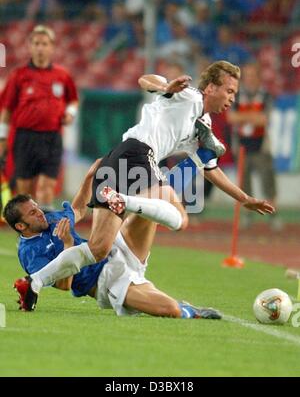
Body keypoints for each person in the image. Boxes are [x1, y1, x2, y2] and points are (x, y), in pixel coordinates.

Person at [9, 61, 275, 302]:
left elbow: (212, 171)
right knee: (180, 219)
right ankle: (126, 201)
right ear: (211, 88)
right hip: (140, 154)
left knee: (98, 249)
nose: (232, 97)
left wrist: (245, 199)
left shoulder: (202, 125)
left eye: (234, 92)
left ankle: (35, 282)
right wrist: (167, 86)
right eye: (229, 90)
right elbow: (146, 80)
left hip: (119, 157)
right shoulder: (189, 96)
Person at [5, 160, 221, 320]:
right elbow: (64, 285)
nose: (40, 213)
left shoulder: (50, 220)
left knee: (154, 200)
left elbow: (78, 208)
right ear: (21, 226)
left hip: (115, 248)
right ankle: (189, 310)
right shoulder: (30, 254)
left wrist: (90, 176)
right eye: (32, 213)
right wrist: (67, 244)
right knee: (171, 310)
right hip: (105, 282)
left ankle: (196, 160)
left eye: (36, 207)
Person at [0, 25, 78, 211]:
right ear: (30, 46)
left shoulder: (62, 75)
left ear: (52, 47)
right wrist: (2, 138)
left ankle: (45, 236)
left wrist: (70, 114)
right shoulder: (19, 75)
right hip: (25, 138)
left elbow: (73, 100)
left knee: (46, 188)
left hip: (52, 138)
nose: (40, 48)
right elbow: (7, 110)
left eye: (44, 44)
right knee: (24, 192)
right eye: (36, 43)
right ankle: (26, 236)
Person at [227, 62, 281, 230]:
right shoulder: (237, 94)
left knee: (267, 182)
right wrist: (252, 116)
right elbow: (231, 118)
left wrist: (243, 116)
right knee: (244, 184)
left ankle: (272, 216)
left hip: (261, 146)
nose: (249, 79)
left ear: (258, 77)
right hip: (241, 146)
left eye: (252, 75)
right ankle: (248, 215)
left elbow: (264, 119)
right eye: (247, 76)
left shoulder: (265, 95)